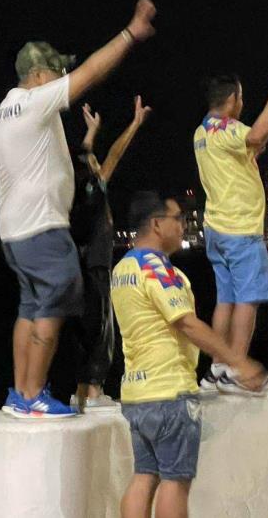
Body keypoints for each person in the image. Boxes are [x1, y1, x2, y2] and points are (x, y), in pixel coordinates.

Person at [0, 0, 156, 418]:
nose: (62, 75)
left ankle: (20, 394)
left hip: (13, 231)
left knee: (31, 306)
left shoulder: (3, 111)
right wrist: (130, 34)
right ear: (40, 74)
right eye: (57, 71)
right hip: (42, 228)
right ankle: (33, 396)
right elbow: (91, 73)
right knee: (60, 294)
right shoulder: (35, 101)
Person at [112, 192, 268, 518]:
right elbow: (186, 323)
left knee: (145, 475)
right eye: (178, 219)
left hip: (136, 393)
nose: (183, 226)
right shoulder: (156, 268)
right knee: (175, 481)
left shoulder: (122, 268)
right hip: (169, 392)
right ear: (157, 224)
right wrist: (238, 361)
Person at [193, 73, 268, 394]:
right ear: (233, 99)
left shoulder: (202, 132)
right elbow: (259, 133)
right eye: (241, 97)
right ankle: (238, 369)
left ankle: (217, 368)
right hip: (240, 230)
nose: (244, 102)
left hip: (216, 231)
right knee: (248, 300)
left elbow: (263, 136)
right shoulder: (226, 128)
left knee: (226, 300)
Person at [68, 95, 151, 412]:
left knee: (82, 331)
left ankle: (80, 394)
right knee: (102, 331)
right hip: (98, 266)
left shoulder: (73, 194)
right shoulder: (94, 188)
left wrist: (91, 131)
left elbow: (84, 156)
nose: (96, 162)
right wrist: (135, 123)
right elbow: (115, 154)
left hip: (79, 267)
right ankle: (94, 391)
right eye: (91, 162)